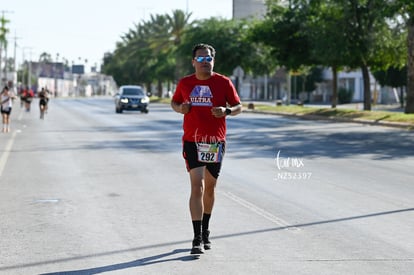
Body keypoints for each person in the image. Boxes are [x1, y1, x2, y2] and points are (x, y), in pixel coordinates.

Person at [171, 43, 242, 256]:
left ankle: (206, 228)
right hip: (192, 141)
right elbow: (174, 102)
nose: (205, 62)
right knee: (197, 186)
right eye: (200, 59)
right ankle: (196, 237)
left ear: (213, 60)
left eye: (208, 58)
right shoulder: (185, 83)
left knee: (210, 188)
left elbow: (239, 106)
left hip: (214, 141)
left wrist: (227, 110)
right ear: (193, 62)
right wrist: (180, 108)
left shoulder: (223, 82)